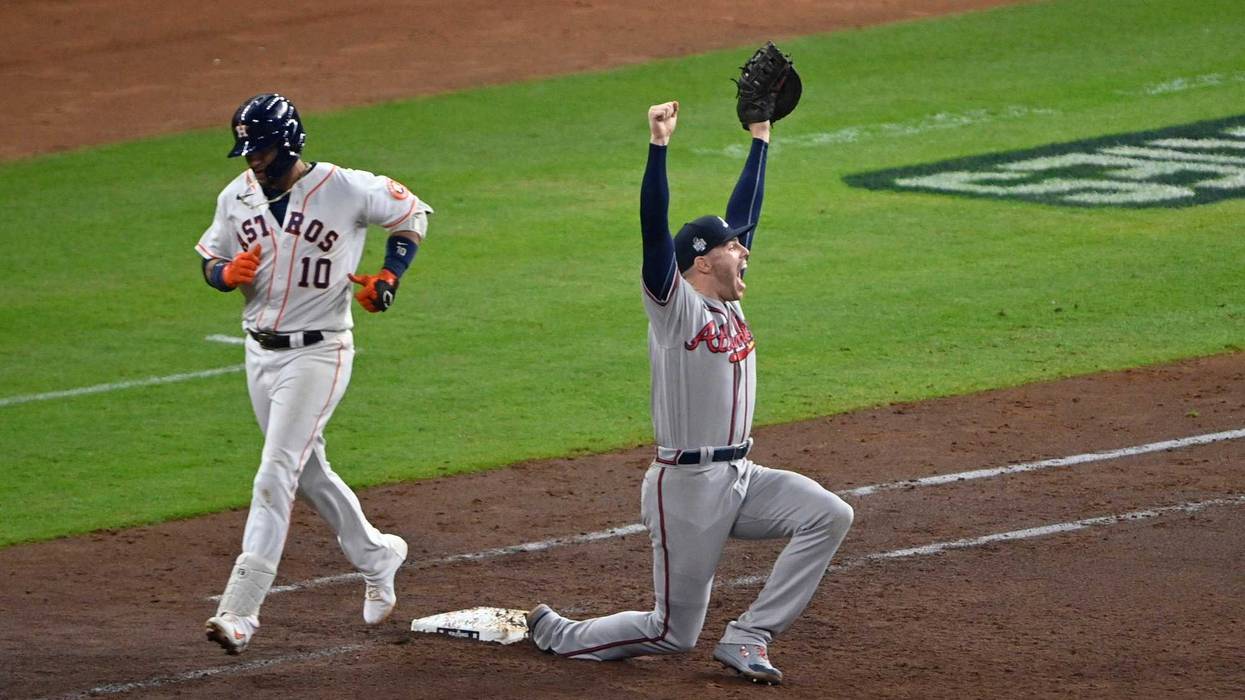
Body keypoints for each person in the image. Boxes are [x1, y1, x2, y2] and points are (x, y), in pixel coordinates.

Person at [526, 101, 854, 685]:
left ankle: (749, 635)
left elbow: (744, 212)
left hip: (742, 477)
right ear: (701, 261)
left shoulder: (727, 299)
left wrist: (761, 139)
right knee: (672, 634)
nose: (745, 249)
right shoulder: (674, 308)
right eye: (733, 246)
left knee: (828, 514)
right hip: (687, 488)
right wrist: (659, 147)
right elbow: (655, 227)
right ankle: (560, 634)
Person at [195, 93, 432, 654]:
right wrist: (226, 273)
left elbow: (412, 214)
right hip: (259, 355)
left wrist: (390, 279)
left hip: (320, 353)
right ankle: (378, 555)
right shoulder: (237, 197)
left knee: (274, 472)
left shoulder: (343, 187)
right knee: (307, 472)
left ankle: (239, 612)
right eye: (248, 150)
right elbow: (209, 259)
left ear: (291, 142)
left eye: (263, 149)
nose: (254, 160)